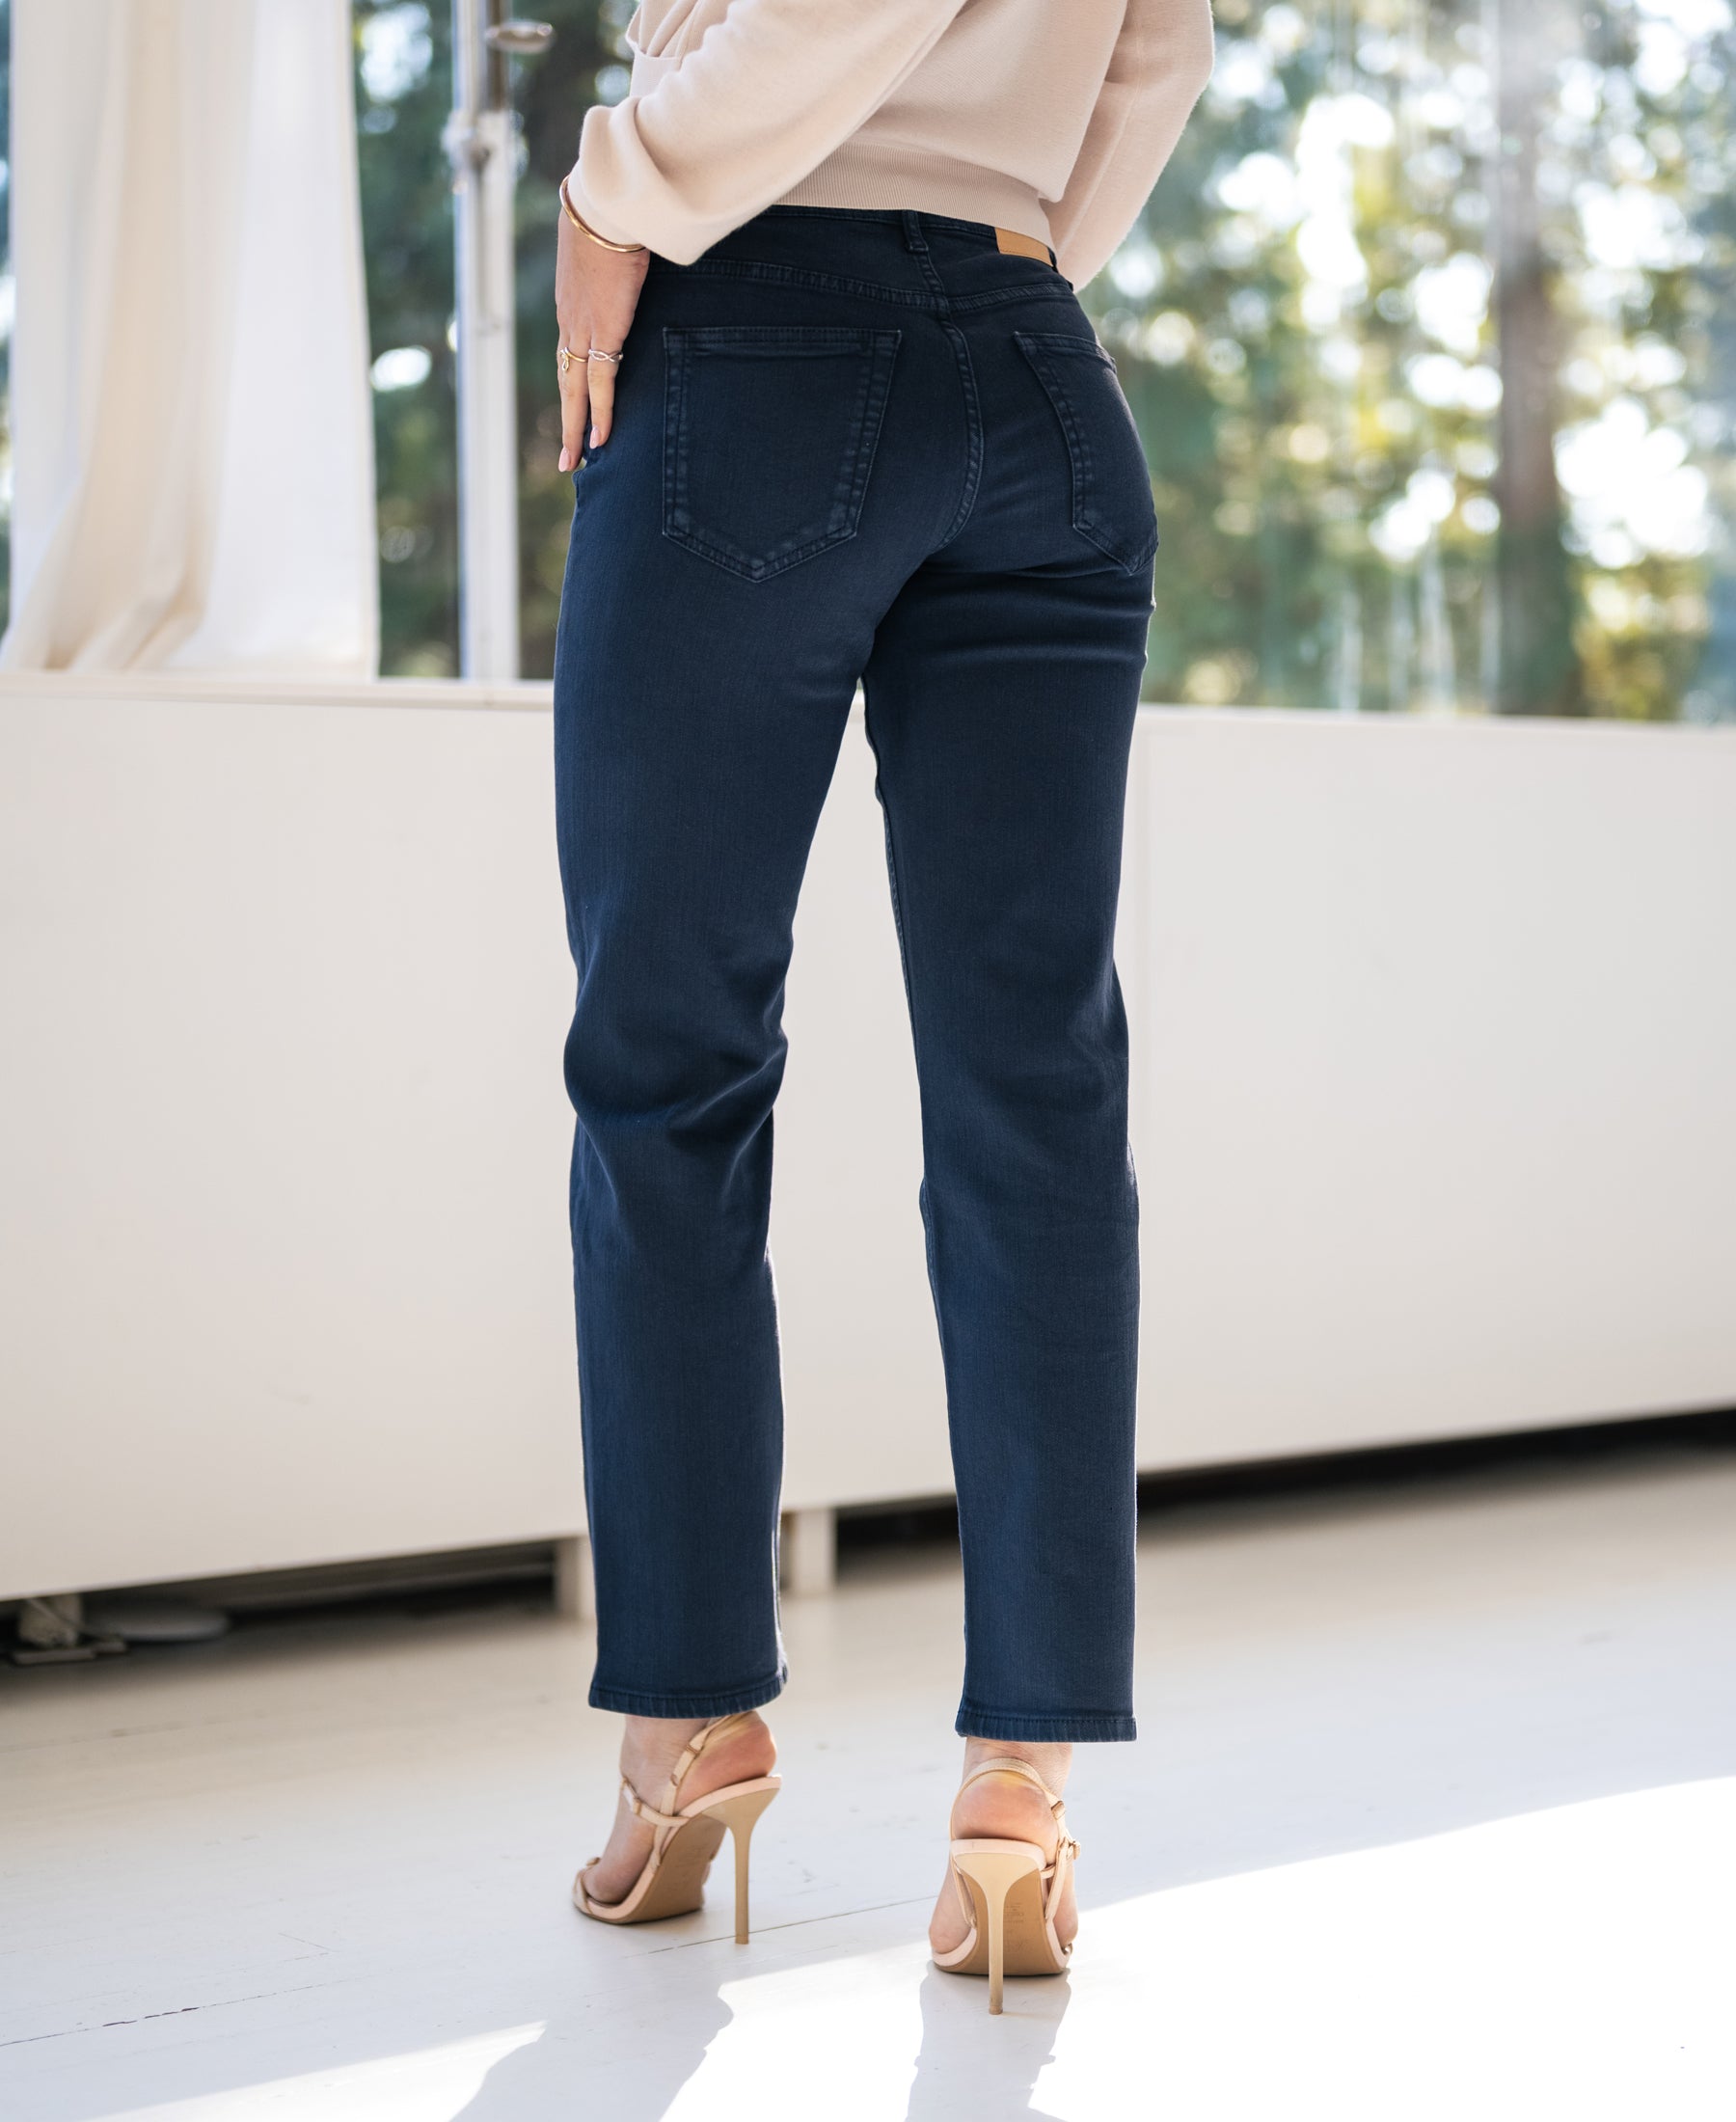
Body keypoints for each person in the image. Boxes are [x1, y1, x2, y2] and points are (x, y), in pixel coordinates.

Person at [551, 0, 1213, 2012]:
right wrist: (998, 259)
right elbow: (1154, 54)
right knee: (1037, 1093)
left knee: (669, 1066)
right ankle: (1020, 1789)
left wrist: (618, 179)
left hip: (763, 346)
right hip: (1039, 376)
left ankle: (689, 1728)